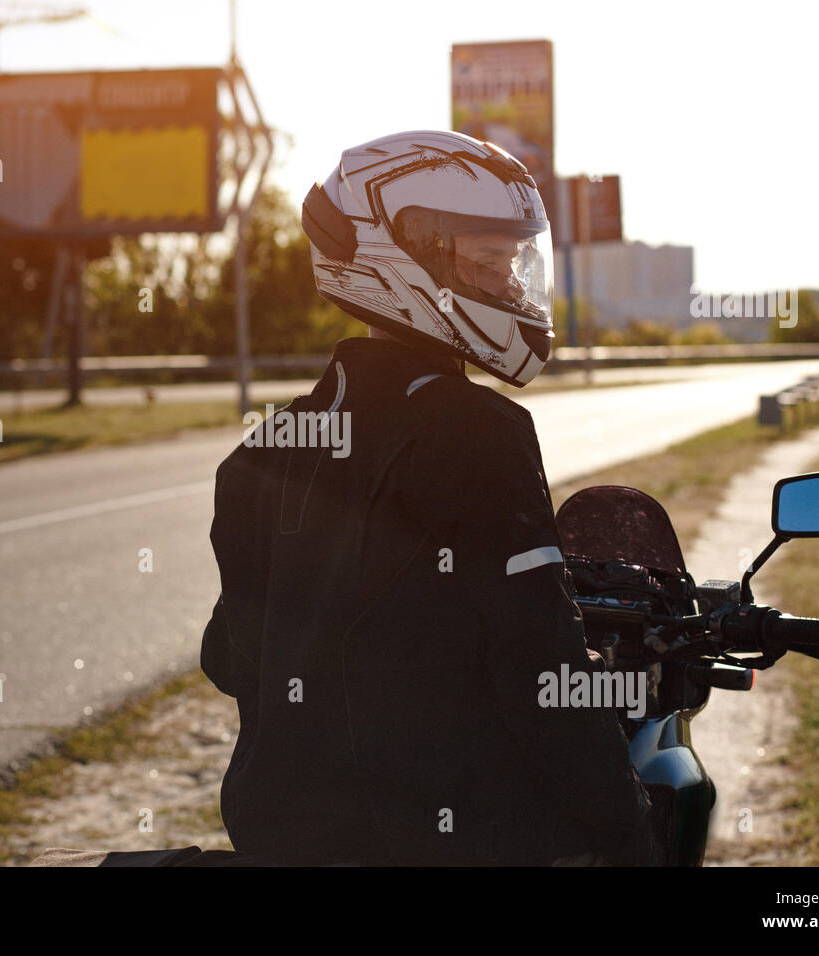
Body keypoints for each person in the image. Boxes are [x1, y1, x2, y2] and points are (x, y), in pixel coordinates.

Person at [200, 130, 658, 866]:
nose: (510, 283)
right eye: (486, 259)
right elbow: (544, 679)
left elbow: (230, 657)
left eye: (512, 259)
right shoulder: (479, 434)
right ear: (398, 257)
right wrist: (630, 830)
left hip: (279, 839)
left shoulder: (258, 453)